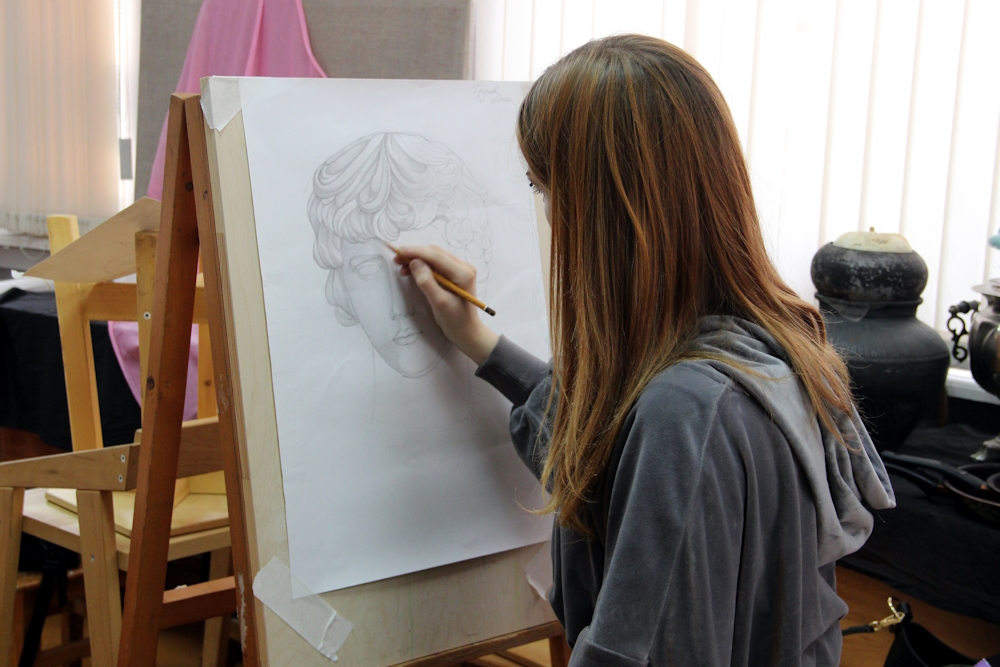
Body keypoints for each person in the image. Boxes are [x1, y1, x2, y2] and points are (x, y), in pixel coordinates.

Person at [394, 35, 895, 667]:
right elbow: (611, 462)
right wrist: (478, 340)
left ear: (597, 209)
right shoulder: (772, 346)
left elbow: (633, 646)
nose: (546, 215)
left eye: (543, 189)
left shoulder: (685, 411)